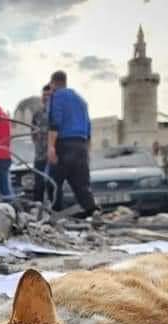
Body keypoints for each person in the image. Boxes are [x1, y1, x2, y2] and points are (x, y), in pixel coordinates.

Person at [47, 70, 99, 217]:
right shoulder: (81, 100)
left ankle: (56, 215)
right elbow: (88, 129)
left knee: (53, 183)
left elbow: (55, 123)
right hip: (81, 146)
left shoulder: (56, 96)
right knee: (82, 187)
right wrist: (87, 151)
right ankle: (93, 213)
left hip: (64, 145)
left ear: (53, 83)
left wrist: (51, 147)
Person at [31, 84, 52, 203]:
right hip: (39, 157)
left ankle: (53, 212)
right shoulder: (37, 114)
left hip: (52, 157)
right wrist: (40, 146)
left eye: (48, 95)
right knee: (38, 186)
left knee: (52, 185)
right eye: (44, 95)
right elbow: (33, 134)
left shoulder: (56, 113)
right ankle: (36, 211)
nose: (45, 98)